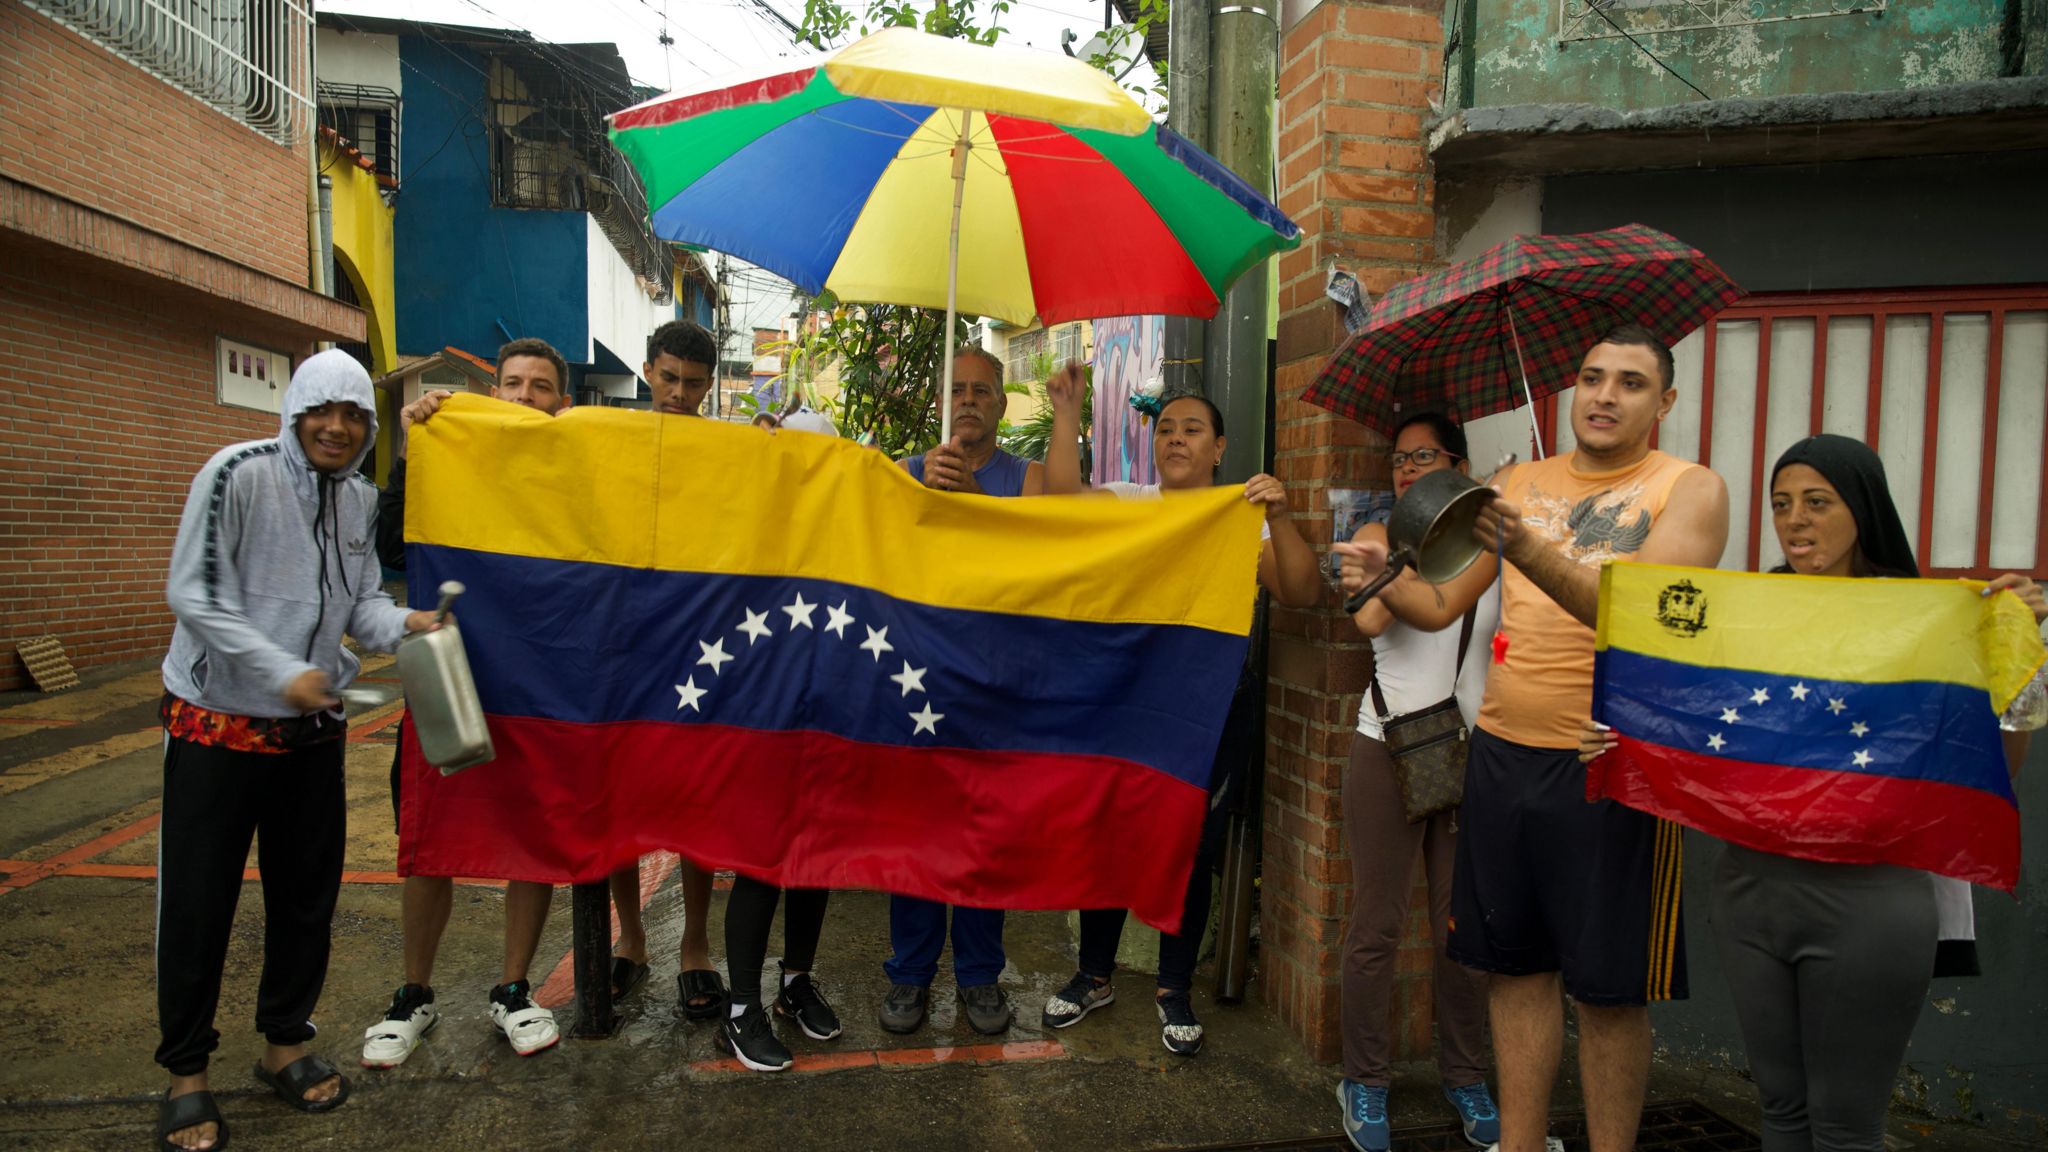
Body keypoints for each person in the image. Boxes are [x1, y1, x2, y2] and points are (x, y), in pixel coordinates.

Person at [1579, 433, 2045, 1152]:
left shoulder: (1924, 618)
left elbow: (1996, 765)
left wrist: (2020, 646)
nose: (1795, 520)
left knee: (1845, 1128)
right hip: (1748, 900)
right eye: (1781, 503)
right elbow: (1690, 717)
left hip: (1871, 908)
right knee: (1781, 1116)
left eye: (1818, 502)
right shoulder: (1749, 611)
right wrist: (1619, 740)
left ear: (1862, 509)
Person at [1348, 325, 1730, 1152]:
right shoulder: (1517, 479)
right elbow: (1445, 605)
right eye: (1591, 377)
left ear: (1663, 402)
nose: (1603, 395)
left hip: (1611, 766)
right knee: (1515, 971)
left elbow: (1636, 620)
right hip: (1500, 755)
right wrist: (1379, 579)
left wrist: (1526, 541)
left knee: (1607, 992)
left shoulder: (1689, 489)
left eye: (1630, 383)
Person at [156, 350, 438, 1152]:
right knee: (199, 904)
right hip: (217, 721)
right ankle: (187, 1076)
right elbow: (193, 592)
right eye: (325, 412)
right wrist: (280, 671)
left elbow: (359, 608)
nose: (339, 429)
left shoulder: (353, 498)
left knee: (305, 897)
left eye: (355, 417)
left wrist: (407, 623)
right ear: (296, 412)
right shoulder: (237, 472)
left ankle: (285, 1044)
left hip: (311, 730)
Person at [1040, 384, 1321, 1057]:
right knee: (1110, 831)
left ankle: (1174, 988)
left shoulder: (1241, 517)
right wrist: (1069, 413)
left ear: (1219, 448)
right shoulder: (1132, 504)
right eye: (1166, 428)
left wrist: (1280, 516)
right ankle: (1095, 974)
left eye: (1193, 429)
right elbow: (1057, 504)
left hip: (1210, 706)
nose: (1175, 439)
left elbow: (1302, 592)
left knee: (1188, 843)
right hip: (1128, 696)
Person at [362, 338, 581, 1069]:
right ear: (492, 393)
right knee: (429, 837)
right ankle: (413, 993)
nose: (522, 397)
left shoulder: (582, 471)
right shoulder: (447, 455)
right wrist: (412, 449)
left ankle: (514, 989)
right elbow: (393, 543)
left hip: (540, 687)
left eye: (539, 387)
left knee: (531, 836)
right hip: (450, 680)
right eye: (511, 384)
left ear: (562, 403)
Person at [878, 348, 1077, 1037]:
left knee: (982, 835)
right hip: (918, 681)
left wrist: (968, 500)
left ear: (999, 404)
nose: (968, 400)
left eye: (981, 391)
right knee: (916, 834)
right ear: (943, 402)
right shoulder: (907, 472)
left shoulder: (1023, 479)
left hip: (993, 681)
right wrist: (921, 495)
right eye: (957, 390)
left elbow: (1045, 553)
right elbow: (875, 555)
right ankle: (908, 974)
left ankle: (980, 976)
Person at [1329, 413, 1500, 1151]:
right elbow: (1368, 621)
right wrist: (1386, 564)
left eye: (1423, 457)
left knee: (1461, 931)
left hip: (1471, 755)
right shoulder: (1375, 538)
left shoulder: (1493, 548)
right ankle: (1363, 1081)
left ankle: (1465, 1074)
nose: (1406, 470)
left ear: (1457, 464)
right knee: (1378, 926)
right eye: (1399, 459)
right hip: (1389, 751)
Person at [717, 412, 845, 1073]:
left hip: (826, 720)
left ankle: (795, 983)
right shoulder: (748, 526)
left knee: (814, 856)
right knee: (761, 859)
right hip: (760, 718)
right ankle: (740, 1009)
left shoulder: (852, 531)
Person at [616, 319, 729, 1023]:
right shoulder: (611, 438)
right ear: (647, 372)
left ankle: (695, 945)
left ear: (709, 386)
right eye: (667, 378)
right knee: (618, 804)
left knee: (697, 805)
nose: (678, 393)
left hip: (699, 648)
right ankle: (630, 939)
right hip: (621, 646)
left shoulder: (729, 450)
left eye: (692, 384)